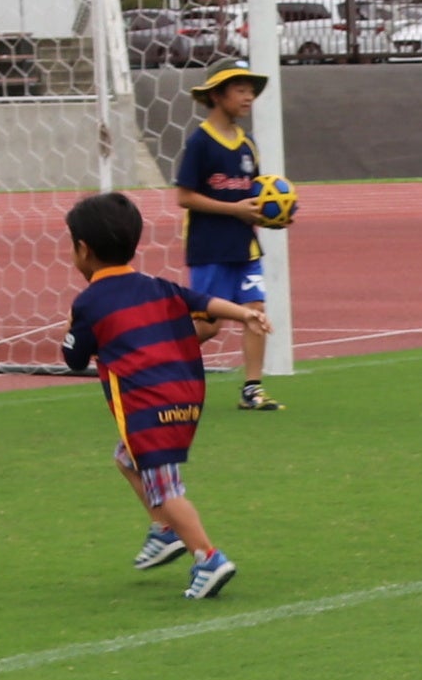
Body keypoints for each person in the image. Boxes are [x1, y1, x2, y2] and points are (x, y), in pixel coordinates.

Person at [60, 190, 245, 601]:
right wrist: (244, 311)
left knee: (166, 488)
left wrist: (74, 325)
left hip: (147, 405)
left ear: (83, 250)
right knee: (126, 458)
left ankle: (208, 557)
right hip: (185, 398)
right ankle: (164, 530)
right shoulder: (156, 286)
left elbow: (73, 358)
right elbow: (202, 303)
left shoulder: (90, 301)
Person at [172, 62, 286, 412]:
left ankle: (252, 389)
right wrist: (234, 209)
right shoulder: (201, 143)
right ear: (218, 95)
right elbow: (184, 197)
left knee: (255, 311)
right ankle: (158, 364)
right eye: (240, 89)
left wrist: (274, 215)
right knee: (208, 327)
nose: (249, 96)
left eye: (251, 90)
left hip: (245, 247)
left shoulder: (248, 145)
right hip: (209, 248)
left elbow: (256, 196)